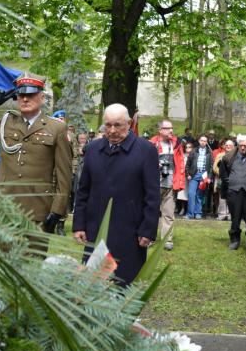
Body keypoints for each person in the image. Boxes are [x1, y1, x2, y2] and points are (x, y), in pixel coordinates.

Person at [0, 72, 72, 240]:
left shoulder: (56, 128)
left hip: (37, 209)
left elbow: (64, 175)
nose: (25, 99)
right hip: (2, 207)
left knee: (33, 260)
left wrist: (57, 211)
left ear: (42, 97)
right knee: (0, 260)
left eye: (30, 94)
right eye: (21, 95)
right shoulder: (5, 123)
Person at [73, 103, 160, 286]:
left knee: (124, 284)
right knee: (92, 284)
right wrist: (79, 224)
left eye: (118, 125)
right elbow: (83, 191)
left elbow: (152, 195)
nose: (112, 130)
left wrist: (148, 229)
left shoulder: (145, 151)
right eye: (108, 125)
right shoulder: (93, 149)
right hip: (95, 230)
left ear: (129, 123)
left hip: (130, 232)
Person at [219, 134, 246, 252]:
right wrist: (230, 182)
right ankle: (234, 240)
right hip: (234, 191)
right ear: (238, 145)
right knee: (235, 218)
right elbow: (223, 173)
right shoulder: (229, 157)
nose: (243, 148)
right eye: (241, 145)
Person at [150, 120, 185, 250]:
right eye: (167, 128)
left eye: (171, 128)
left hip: (171, 184)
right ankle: (149, 237)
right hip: (154, 184)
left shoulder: (177, 144)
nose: (171, 130)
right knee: (151, 213)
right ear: (160, 130)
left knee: (169, 214)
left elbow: (181, 164)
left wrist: (179, 183)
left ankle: (167, 240)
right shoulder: (152, 144)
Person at [185, 134, 213, 220]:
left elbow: (211, 166)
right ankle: (190, 214)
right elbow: (188, 164)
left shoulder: (209, 152)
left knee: (199, 196)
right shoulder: (194, 151)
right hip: (194, 175)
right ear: (199, 141)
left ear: (206, 142)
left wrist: (209, 177)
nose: (203, 142)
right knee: (191, 194)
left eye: (205, 141)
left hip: (203, 176)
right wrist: (188, 174)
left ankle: (198, 213)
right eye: (202, 140)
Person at [214, 140, 234, 220]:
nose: (228, 146)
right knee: (222, 197)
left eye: (230, 145)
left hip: (232, 180)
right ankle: (222, 214)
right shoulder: (220, 155)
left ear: (233, 146)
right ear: (224, 146)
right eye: (226, 145)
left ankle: (230, 215)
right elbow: (215, 167)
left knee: (231, 197)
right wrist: (221, 173)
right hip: (221, 179)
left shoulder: (236, 156)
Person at [175, 142, 191, 217]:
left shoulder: (193, 156)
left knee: (188, 194)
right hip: (182, 177)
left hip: (190, 177)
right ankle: (181, 208)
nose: (188, 149)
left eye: (189, 147)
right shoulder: (182, 156)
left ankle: (187, 209)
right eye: (186, 147)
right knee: (181, 194)